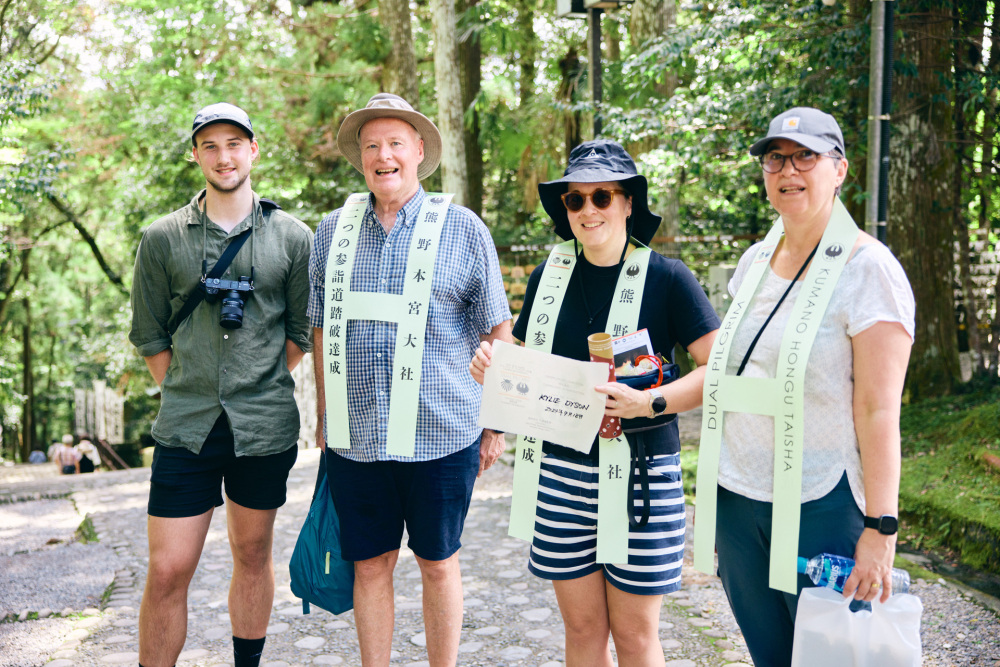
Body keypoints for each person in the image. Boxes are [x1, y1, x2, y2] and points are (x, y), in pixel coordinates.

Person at [470, 140, 720, 666]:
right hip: (562, 474)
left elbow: (718, 371)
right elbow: (525, 362)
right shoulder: (547, 277)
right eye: (575, 200)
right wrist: (493, 364)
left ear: (629, 202)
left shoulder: (668, 278)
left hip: (642, 477)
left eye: (602, 196)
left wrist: (650, 403)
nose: (588, 211)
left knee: (634, 637)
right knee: (582, 630)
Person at [696, 107, 915, 666]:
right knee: (771, 657)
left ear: (839, 169)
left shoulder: (869, 269)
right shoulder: (753, 262)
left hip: (822, 500)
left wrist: (881, 531)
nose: (787, 170)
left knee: (830, 659)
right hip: (741, 501)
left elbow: (878, 410)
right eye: (775, 158)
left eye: (805, 157)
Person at [308, 93, 511, 666]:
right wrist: (325, 415)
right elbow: (321, 330)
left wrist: (495, 424)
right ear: (360, 159)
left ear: (419, 151)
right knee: (370, 563)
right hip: (358, 436)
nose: (383, 155)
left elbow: (498, 332)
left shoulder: (463, 228)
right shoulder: (331, 232)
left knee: (438, 560)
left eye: (396, 142)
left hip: (443, 431)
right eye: (371, 145)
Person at [129, 103, 313, 667]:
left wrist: (253, 382)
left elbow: (299, 335)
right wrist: (191, 388)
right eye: (210, 145)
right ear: (195, 154)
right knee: (167, 569)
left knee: (252, 552)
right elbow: (150, 337)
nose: (223, 155)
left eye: (234, 143)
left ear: (254, 150)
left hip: (264, 425)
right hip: (187, 427)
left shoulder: (293, 237)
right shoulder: (161, 239)